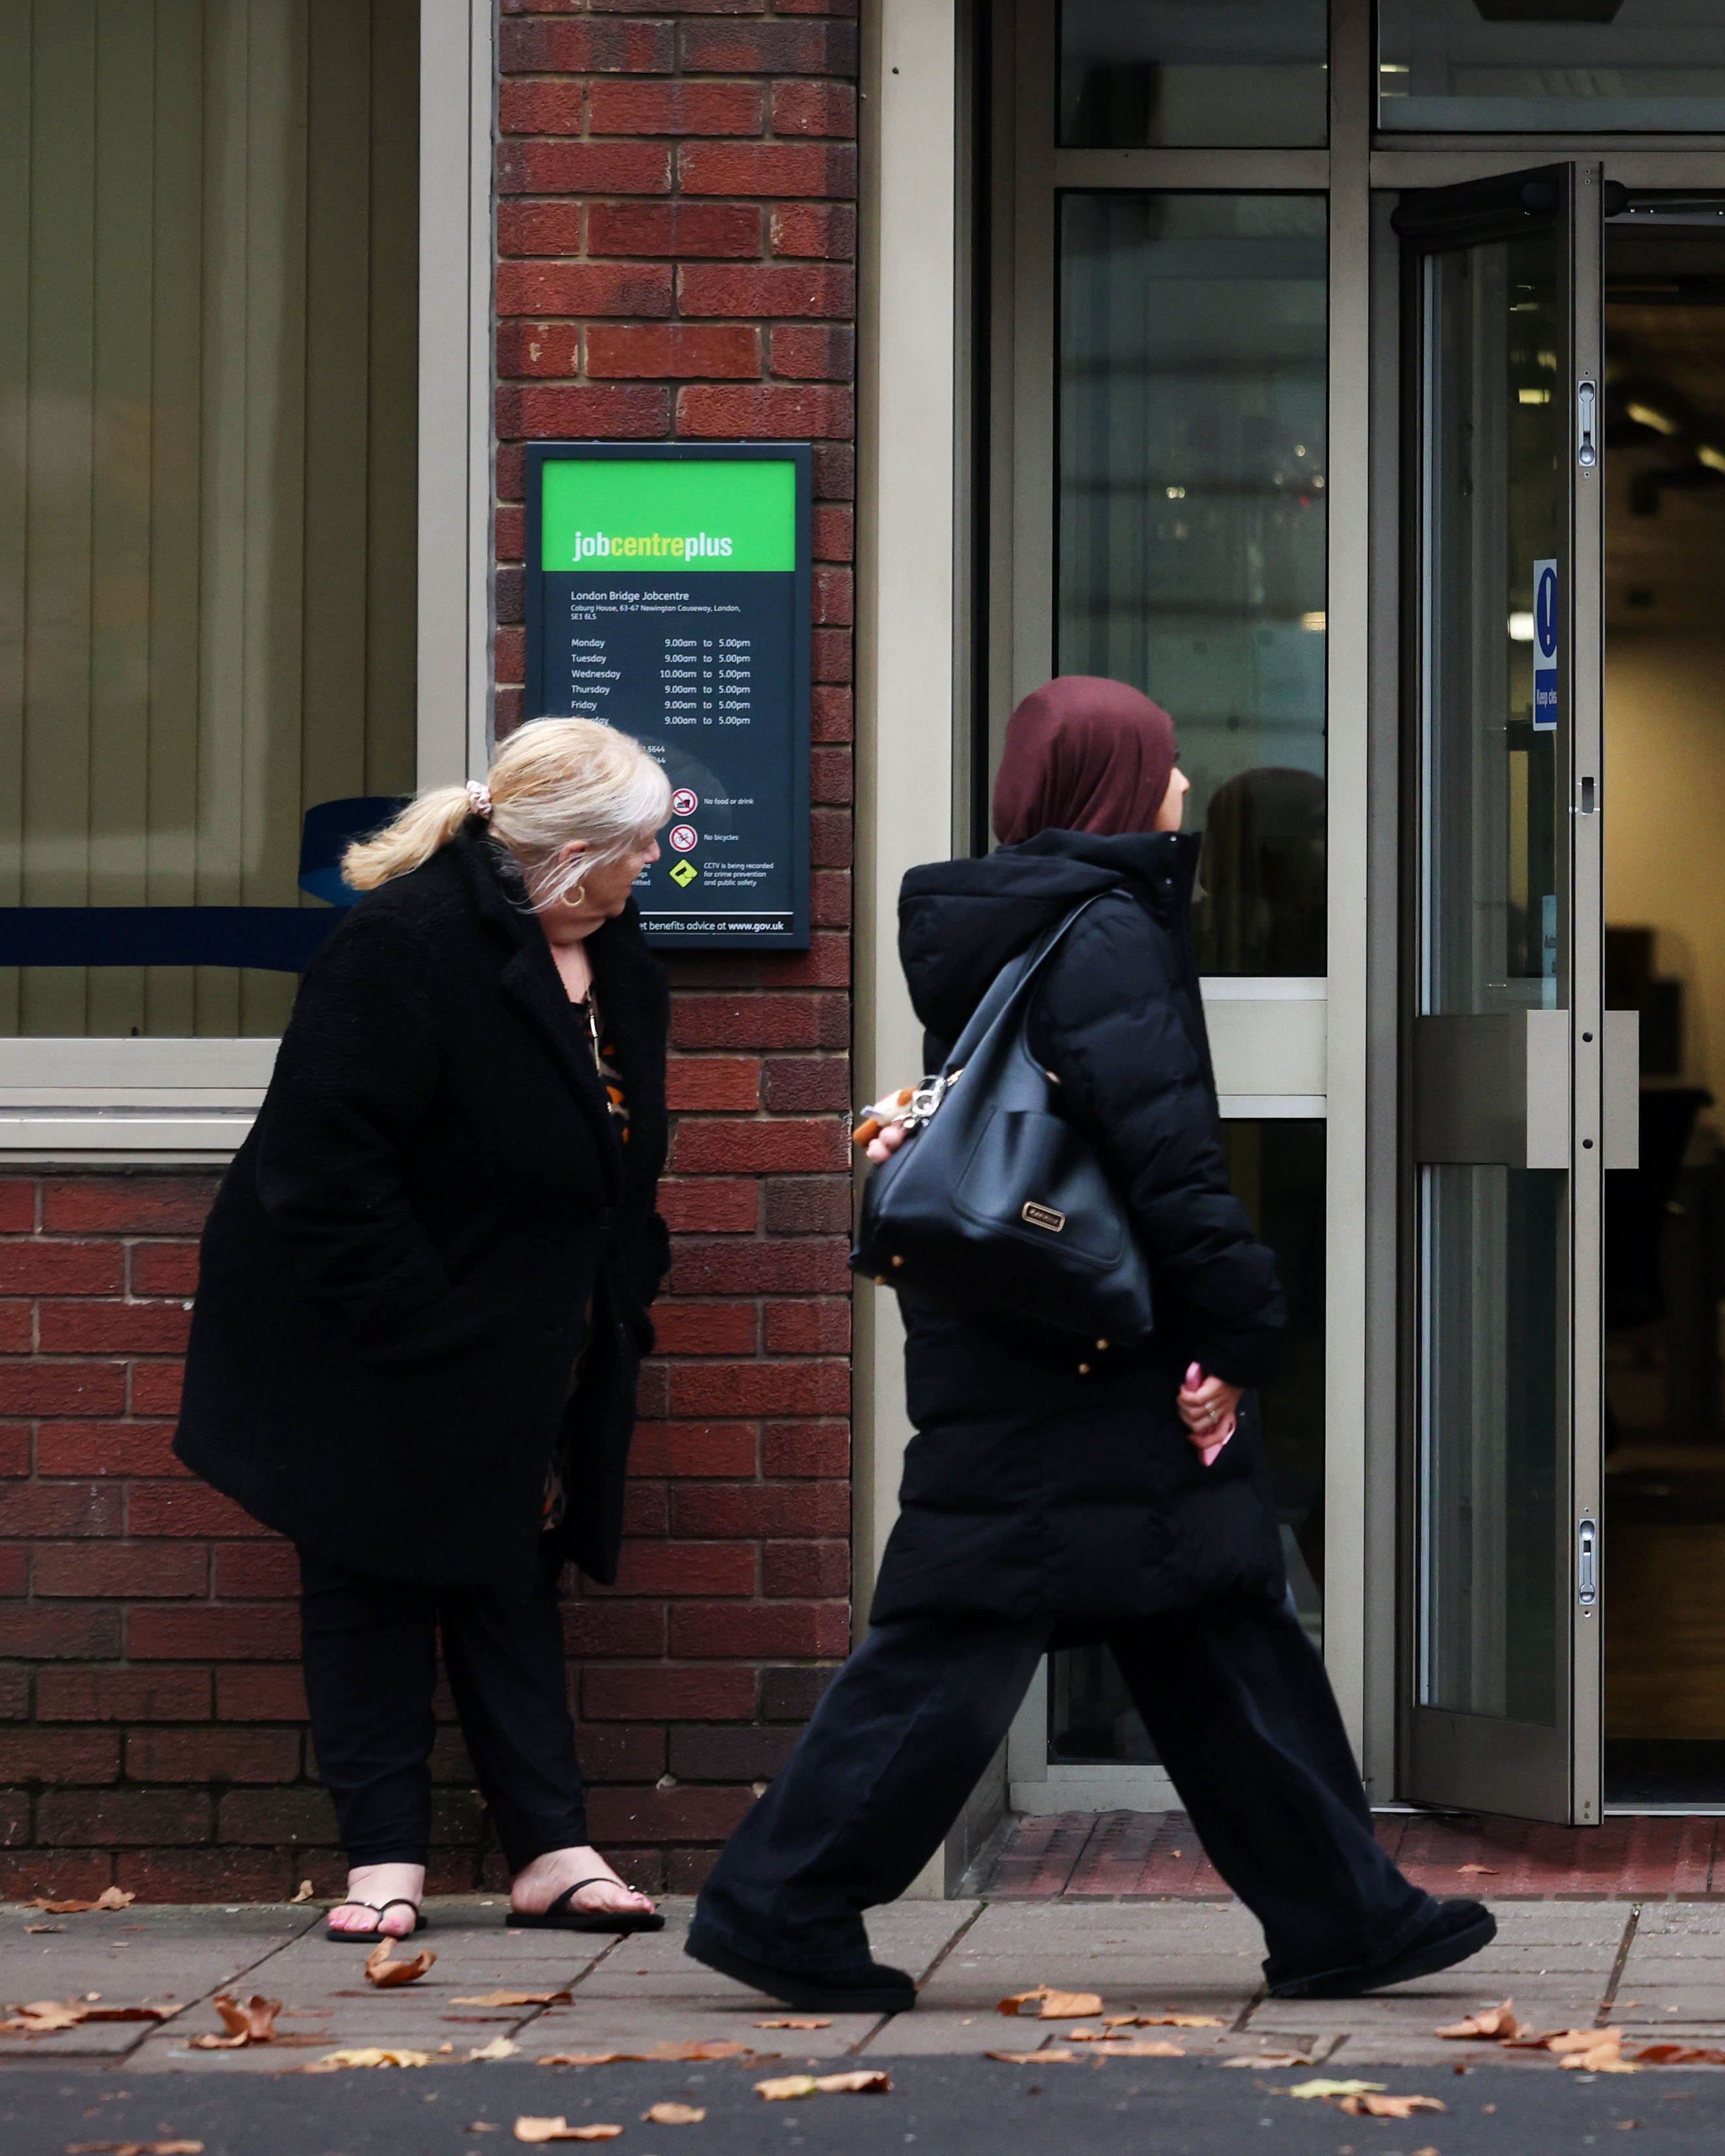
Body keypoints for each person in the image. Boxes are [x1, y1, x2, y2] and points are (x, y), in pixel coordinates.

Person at [690, 678, 1490, 2011]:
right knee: (966, 1633)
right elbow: (1167, 1154)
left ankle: (1347, 1911)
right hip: (1081, 1358)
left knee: (1213, 1612)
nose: (1184, 790)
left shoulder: (1021, 915)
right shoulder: (1104, 930)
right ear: (1121, 784)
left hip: (1042, 1335)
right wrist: (1238, 1321)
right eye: (1167, 767)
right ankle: (782, 1898)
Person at [176, 716, 681, 1943]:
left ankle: (552, 1852)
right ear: (565, 854)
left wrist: (618, 1294)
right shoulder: (404, 949)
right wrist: (431, 1332)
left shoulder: (617, 958)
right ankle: (384, 1865)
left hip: (524, 1334)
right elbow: (323, 1172)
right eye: (637, 850)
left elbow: (621, 1161)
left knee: (510, 1567)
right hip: (375, 1330)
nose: (651, 871)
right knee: (371, 1574)